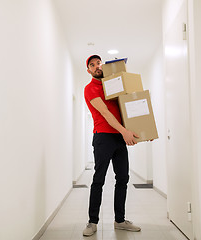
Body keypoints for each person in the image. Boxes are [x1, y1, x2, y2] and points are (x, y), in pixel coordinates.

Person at [83, 55, 141, 237]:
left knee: (122, 178)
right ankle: (92, 222)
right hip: (103, 137)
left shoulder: (113, 85)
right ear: (89, 71)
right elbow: (106, 113)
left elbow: (128, 107)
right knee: (98, 179)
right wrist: (124, 132)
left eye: (98, 63)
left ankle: (120, 220)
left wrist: (142, 132)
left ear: (103, 65)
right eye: (92, 65)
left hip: (119, 137)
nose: (96, 66)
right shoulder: (90, 88)